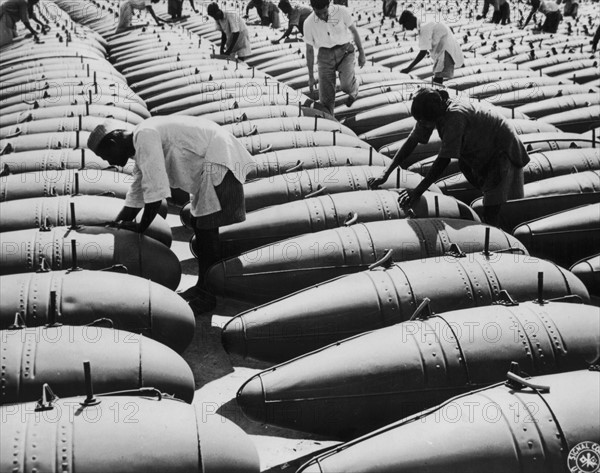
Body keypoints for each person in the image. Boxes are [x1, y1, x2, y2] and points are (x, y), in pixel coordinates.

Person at [87, 116, 254, 313]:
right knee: (201, 228)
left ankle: (209, 295)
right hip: (210, 162)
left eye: (106, 156)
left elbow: (156, 191)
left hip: (218, 160)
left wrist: (141, 228)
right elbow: (139, 188)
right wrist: (119, 223)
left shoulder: (144, 135)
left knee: (206, 233)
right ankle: (203, 287)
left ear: (113, 143)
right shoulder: (141, 139)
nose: (109, 162)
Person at [367, 88, 530, 227]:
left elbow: (443, 160)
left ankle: (497, 236)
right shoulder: (433, 106)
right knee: (470, 171)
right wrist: (385, 174)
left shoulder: (454, 117)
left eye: (424, 123)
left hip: (501, 150)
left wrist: (417, 191)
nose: (422, 125)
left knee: (493, 204)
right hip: (480, 146)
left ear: (434, 118)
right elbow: (412, 142)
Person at [303, 0, 366, 115]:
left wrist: (361, 52)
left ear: (328, 5)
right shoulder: (308, 23)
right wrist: (311, 77)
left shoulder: (341, 11)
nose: (322, 16)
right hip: (324, 56)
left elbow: (353, 31)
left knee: (346, 86)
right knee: (326, 99)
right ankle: (331, 123)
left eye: (324, 12)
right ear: (313, 9)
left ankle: (354, 89)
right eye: (318, 13)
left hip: (345, 52)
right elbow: (309, 50)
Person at [398, 10, 464, 84]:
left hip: (446, 50)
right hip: (443, 49)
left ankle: (438, 93)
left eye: (404, 24)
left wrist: (409, 68)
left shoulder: (424, 26)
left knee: (438, 76)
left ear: (409, 20)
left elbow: (423, 52)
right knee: (438, 76)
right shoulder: (423, 22)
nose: (405, 28)